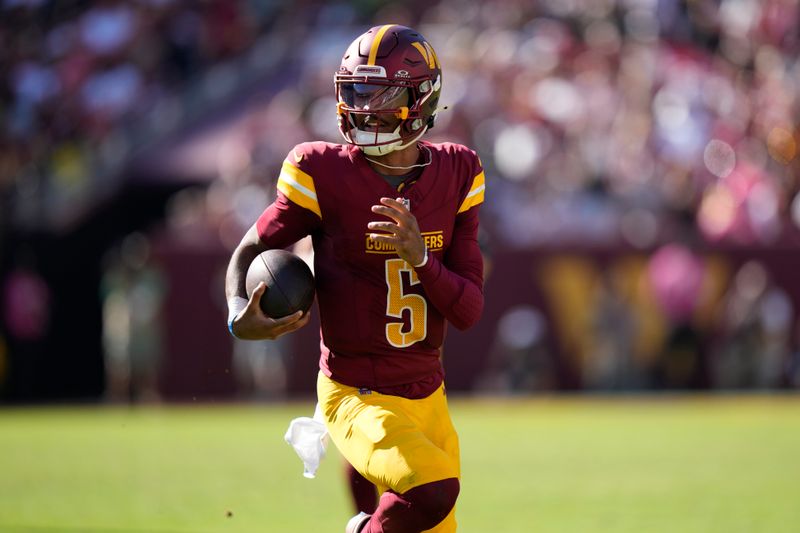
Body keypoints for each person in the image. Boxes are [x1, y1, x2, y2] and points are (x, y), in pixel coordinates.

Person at [225, 24, 485, 533]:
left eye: (379, 93)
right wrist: (238, 315)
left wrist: (421, 259)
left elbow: (469, 310)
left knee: (431, 510)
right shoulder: (321, 171)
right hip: (353, 392)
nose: (362, 107)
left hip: (429, 395)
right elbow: (250, 249)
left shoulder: (459, 171)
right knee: (433, 490)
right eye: (355, 90)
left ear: (420, 98)